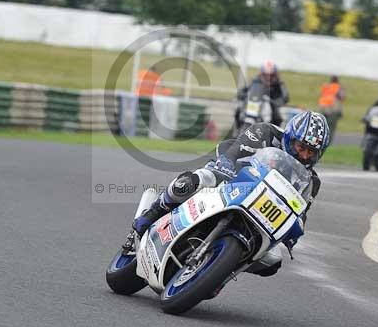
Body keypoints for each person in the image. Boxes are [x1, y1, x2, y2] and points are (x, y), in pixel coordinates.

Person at [122, 110, 330, 277]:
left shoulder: (311, 181)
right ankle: (151, 214)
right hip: (231, 172)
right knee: (193, 181)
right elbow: (234, 154)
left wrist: (293, 234)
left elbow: (299, 213)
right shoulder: (265, 132)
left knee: (272, 261)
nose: (304, 155)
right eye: (301, 147)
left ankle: (221, 272)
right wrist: (224, 170)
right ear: (290, 137)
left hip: (259, 209)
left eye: (311, 152)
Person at [235, 60, 290, 127]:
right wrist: (245, 96)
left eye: (271, 75)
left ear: (275, 74)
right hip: (255, 104)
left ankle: (275, 131)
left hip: (271, 106)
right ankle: (238, 128)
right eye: (266, 75)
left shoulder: (279, 83)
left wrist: (274, 102)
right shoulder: (255, 81)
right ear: (262, 74)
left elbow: (285, 97)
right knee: (239, 109)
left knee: (278, 116)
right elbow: (243, 91)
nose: (268, 77)